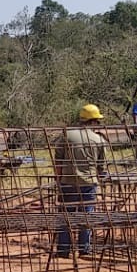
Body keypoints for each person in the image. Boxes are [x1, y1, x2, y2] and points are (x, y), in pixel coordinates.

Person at [52, 104, 106, 258]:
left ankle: (63, 250)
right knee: (86, 218)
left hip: (68, 183)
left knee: (65, 218)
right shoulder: (99, 140)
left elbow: (58, 162)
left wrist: (59, 181)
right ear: (94, 121)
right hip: (88, 185)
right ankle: (84, 249)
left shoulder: (67, 136)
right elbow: (101, 169)